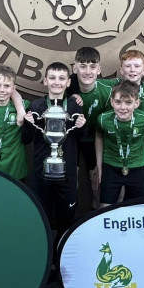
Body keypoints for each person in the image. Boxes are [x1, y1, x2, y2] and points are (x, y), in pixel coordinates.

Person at [22, 62, 86, 242]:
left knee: (66, 218)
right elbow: (26, 139)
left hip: (67, 173)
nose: (56, 82)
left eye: (61, 78)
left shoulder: (74, 105)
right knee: (41, 217)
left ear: (68, 82)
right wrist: (28, 124)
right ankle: (44, 257)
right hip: (40, 172)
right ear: (45, 81)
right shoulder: (36, 106)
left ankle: (60, 259)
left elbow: (80, 138)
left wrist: (82, 127)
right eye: (52, 78)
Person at [95, 80, 144, 208]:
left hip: (138, 167)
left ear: (137, 103)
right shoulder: (102, 119)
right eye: (118, 102)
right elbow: (99, 137)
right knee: (104, 208)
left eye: (128, 102)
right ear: (111, 102)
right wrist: (100, 166)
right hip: (111, 167)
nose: (123, 108)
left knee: (142, 209)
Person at [69, 47, 113, 209]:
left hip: (95, 140)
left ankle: (96, 217)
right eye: (83, 66)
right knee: (70, 181)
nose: (88, 71)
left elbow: (134, 82)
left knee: (97, 183)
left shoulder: (107, 90)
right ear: (74, 68)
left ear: (99, 69)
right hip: (71, 139)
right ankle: (69, 221)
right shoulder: (65, 87)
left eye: (93, 67)